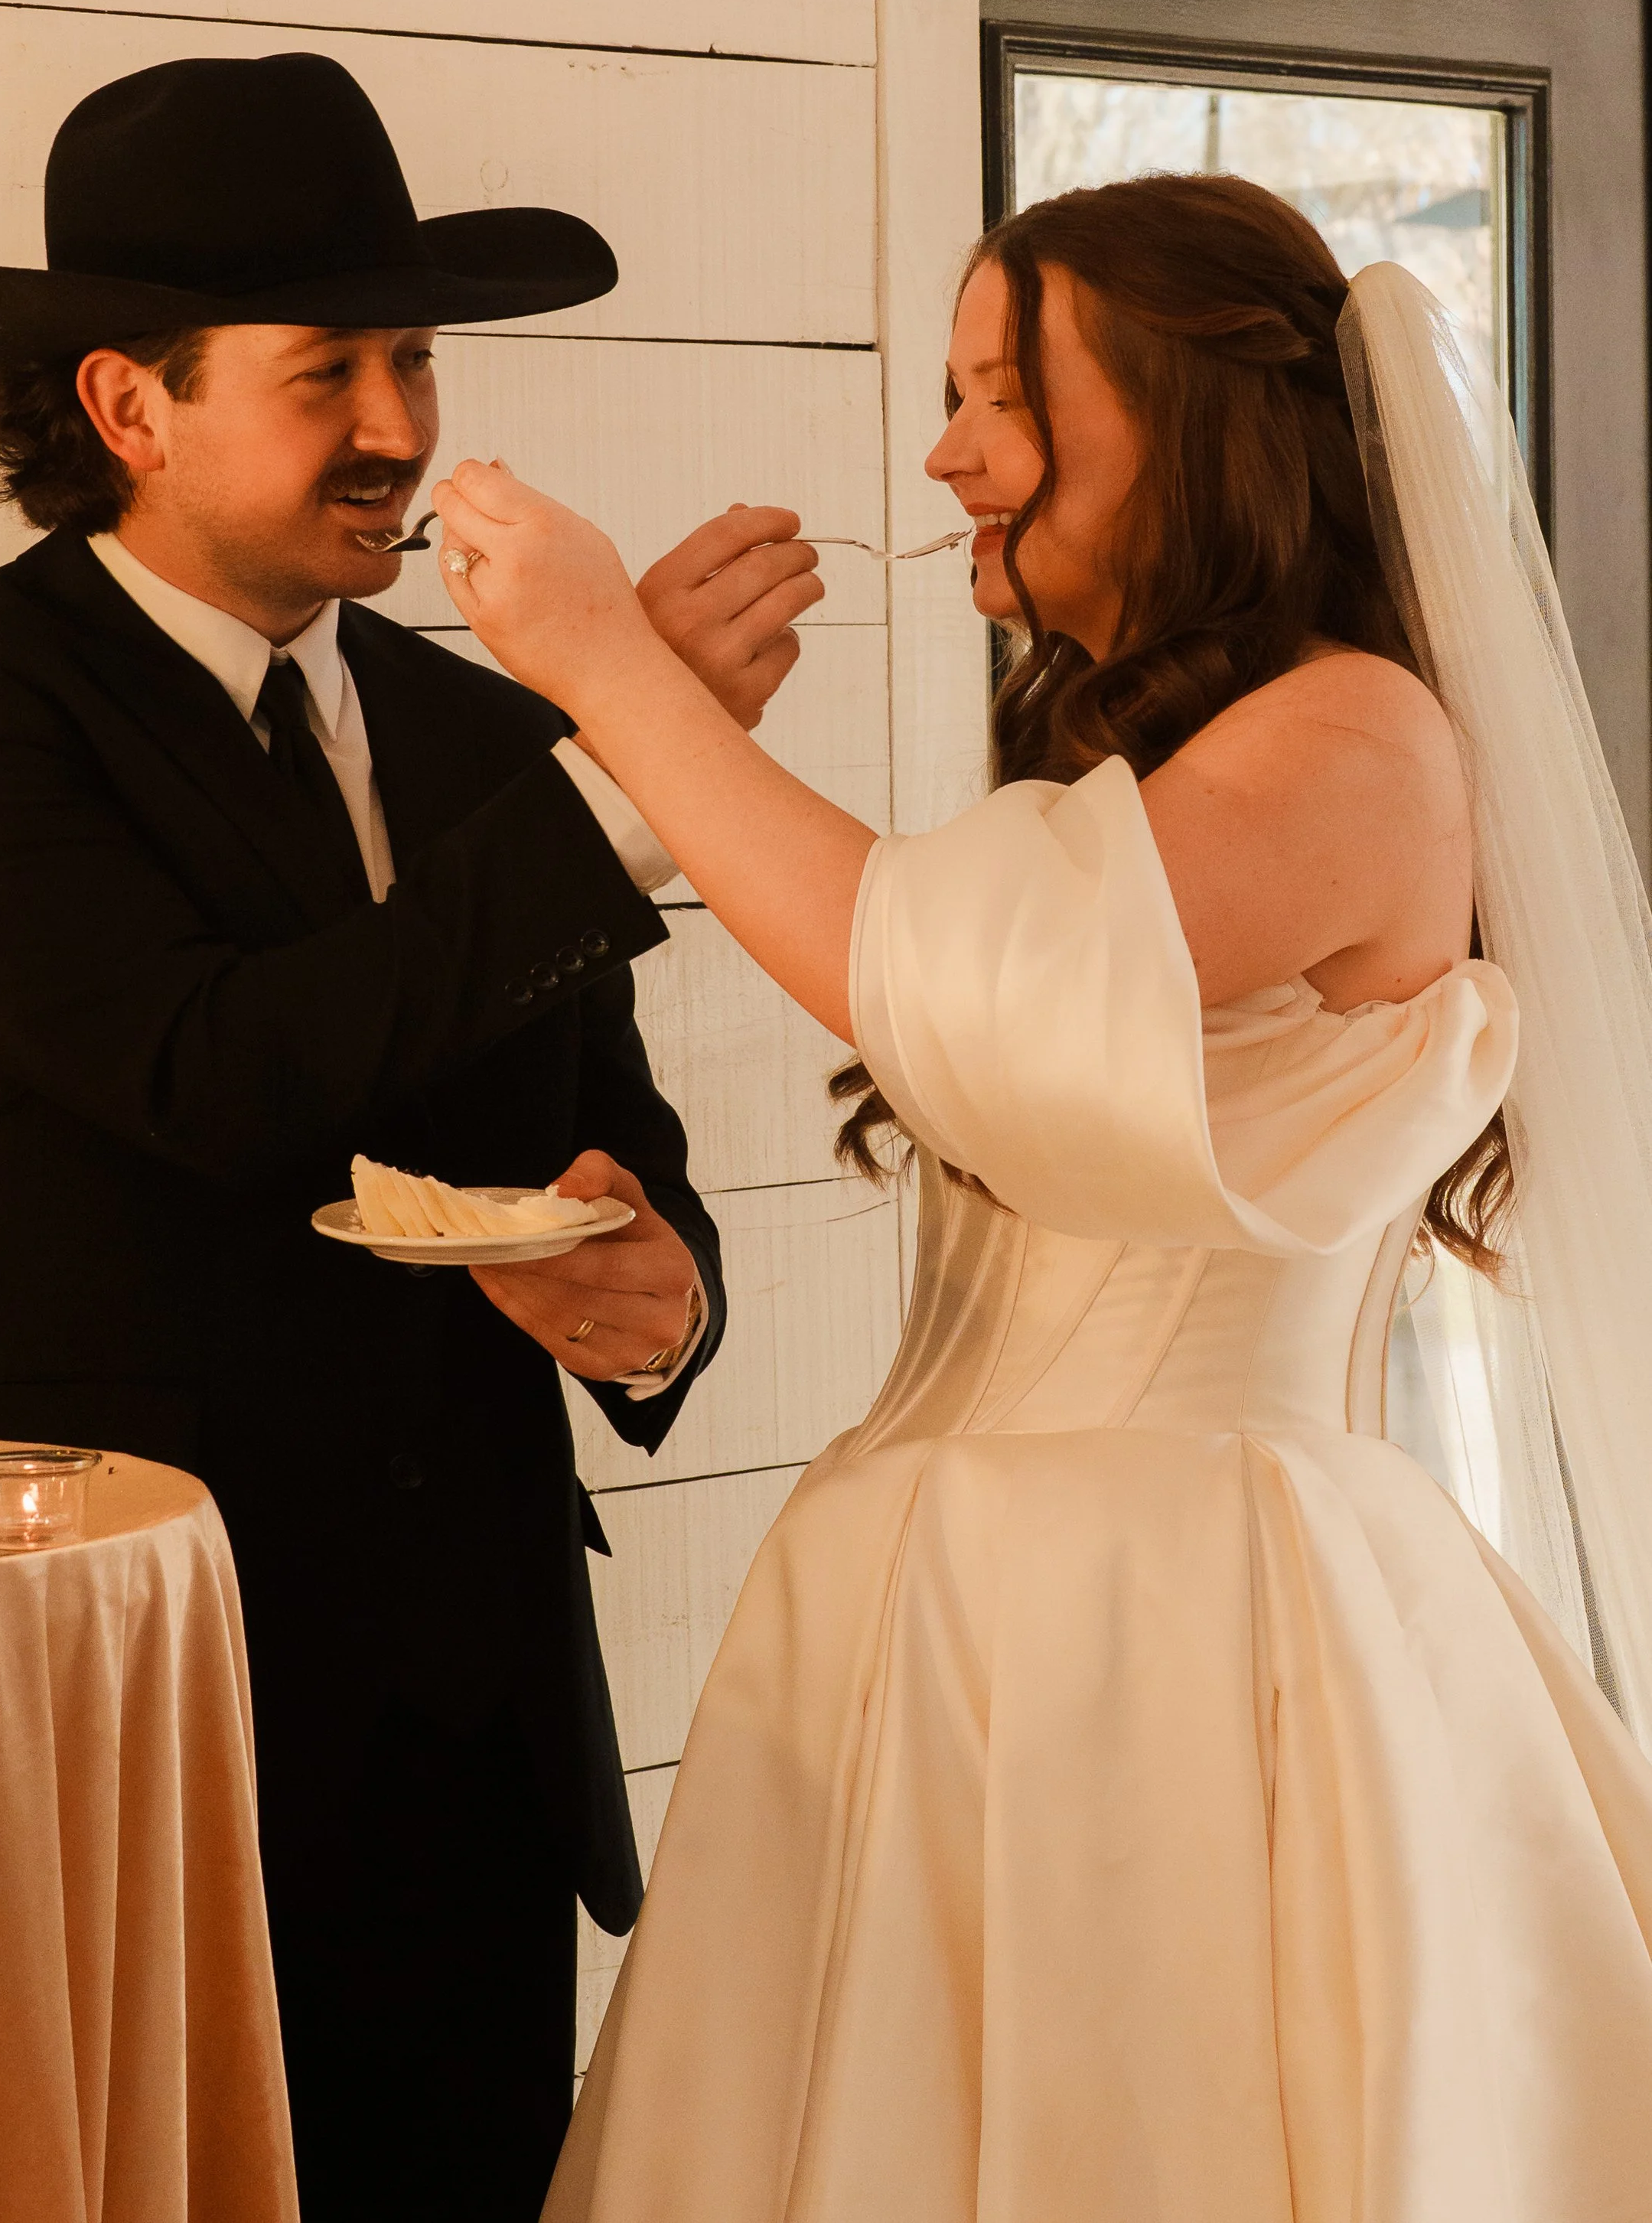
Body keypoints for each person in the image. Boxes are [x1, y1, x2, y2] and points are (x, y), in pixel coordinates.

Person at [432, 172, 1652, 2220]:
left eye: (1001, 394)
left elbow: (948, 982)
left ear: (1191, 415)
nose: (943, 454)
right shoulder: (1177, 754)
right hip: (954, 1613)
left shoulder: (1357, 734)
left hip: (1168, 1638)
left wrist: (608, 670)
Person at [0, 52, 823, 2222]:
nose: (400, 424)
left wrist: (657, 1302)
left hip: (469, 1733)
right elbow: (213, 1069)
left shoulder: (479, 732)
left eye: (415, 355)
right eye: (327, 369)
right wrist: (633, 775)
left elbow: (614, 1144)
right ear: (127, 403)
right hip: (117, 1694)